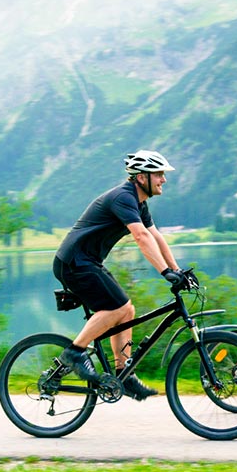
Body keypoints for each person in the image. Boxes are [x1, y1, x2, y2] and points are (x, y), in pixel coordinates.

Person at [52, 150, 189, 400]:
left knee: (126, 311)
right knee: (116, 308)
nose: (164, 179)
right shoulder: (122, 198)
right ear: (140, 177)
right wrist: (165, 272)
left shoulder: (139, 203)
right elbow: (141, 237)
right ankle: (74, 352)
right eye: (159, 174)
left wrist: (177, 270)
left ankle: (123, 374)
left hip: (87, 262)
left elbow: (156, 236)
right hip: (73, 262)